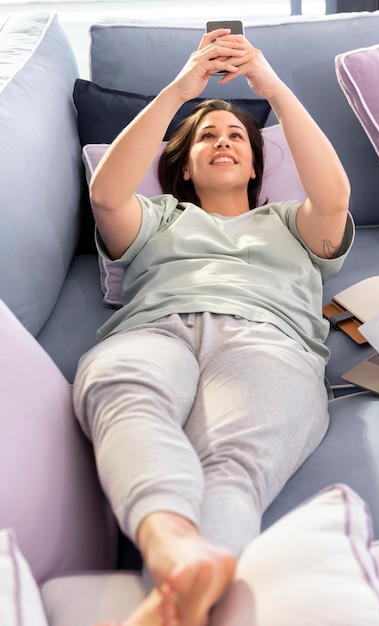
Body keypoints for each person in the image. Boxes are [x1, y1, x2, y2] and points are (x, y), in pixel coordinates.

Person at [73, 28, 353, 626]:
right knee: (126, 393)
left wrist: (270, 86)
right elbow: (105, 195)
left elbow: (334, 197)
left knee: (234, 463)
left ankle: (180, 585)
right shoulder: (157, 218)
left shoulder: (294, 224)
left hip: (267, 341)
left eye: (236, 137)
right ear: (185, 164)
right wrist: (182, 89)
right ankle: (174, 543)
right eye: (206, 136)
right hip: (155, 330)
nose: (223, 142)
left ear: (255, 163)